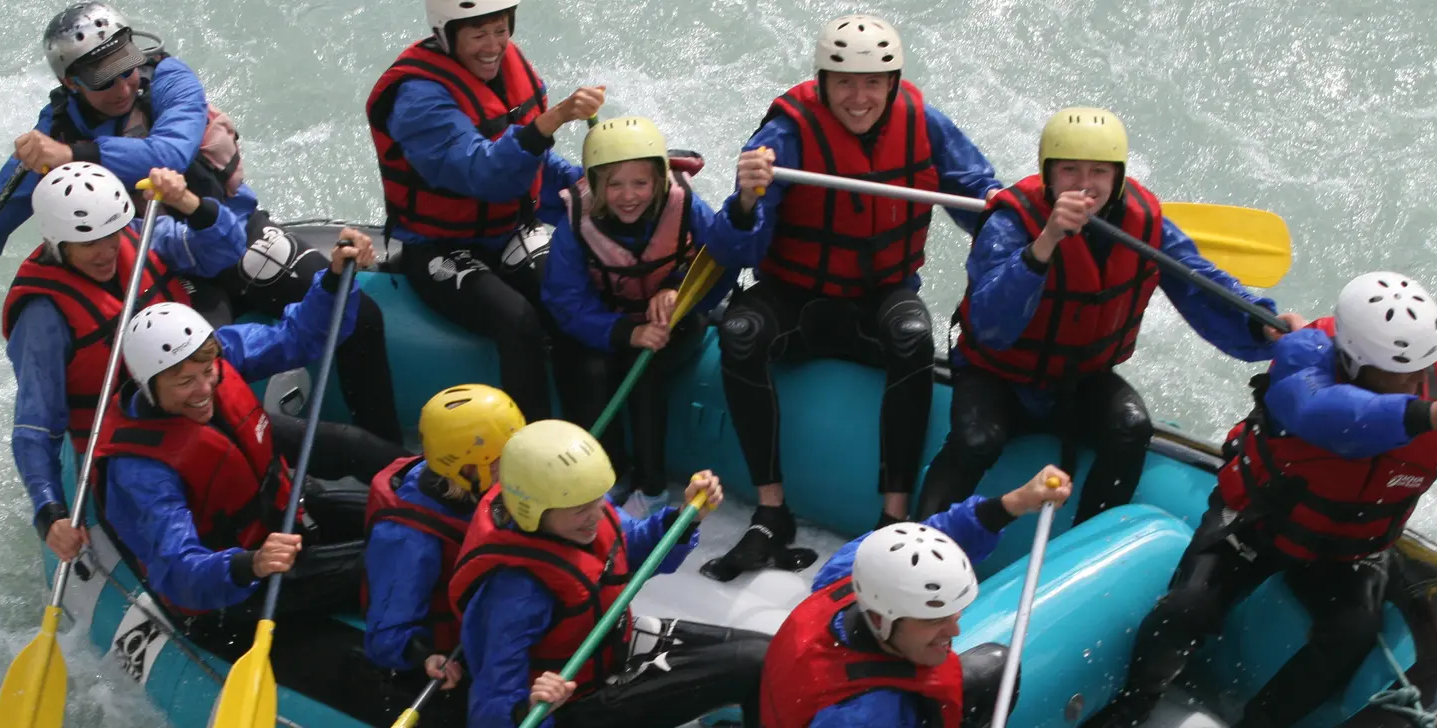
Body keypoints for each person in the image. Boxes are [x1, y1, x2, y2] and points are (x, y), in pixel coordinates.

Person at [1077, 273, 1437, 728]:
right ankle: (1136, 698)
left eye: (1423, 369)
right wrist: (1425, 415)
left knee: (1350, 634)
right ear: (1354, 360)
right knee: (1187, 608)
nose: (1417, 383)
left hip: (1350, 546)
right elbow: (1327, 417)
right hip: (1260, 518)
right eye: (1400, 374)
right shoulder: (1305, 354)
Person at [700, 13, 1002, 582]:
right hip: (796, 297)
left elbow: (982, 201)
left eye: (872, 83)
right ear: (822, 82)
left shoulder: (925, 126)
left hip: (877, 296)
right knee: (739, 332)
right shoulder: (784, 136)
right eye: (844, 82)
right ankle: (771, 512)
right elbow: (735, 246)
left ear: (893, 83)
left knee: (913, 337)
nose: (858, 97)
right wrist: (745, 200)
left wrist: (1025, 223)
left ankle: (892, 516)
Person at [916, 107, 1304, 523]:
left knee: (1131, 427)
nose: (1085, 184)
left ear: (1117, 177)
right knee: (976, 439)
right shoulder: (1010, 223)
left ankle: (1084, 541)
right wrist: (1045, 242)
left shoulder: (1146, 225)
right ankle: (913, 535)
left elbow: (1199, 283)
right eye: (1069, 170)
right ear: (1048, 174)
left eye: (1099, 171)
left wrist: (1262, 324)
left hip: (1079, 379)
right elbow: (992, 326)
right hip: (997, 375)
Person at [758, 466, 1104, 728]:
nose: (954, 629)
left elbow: (927, 544)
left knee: (995, 665)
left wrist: (1014, 502)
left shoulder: (849, 574)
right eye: (933, 619)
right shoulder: (863, 719)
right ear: (882, 619)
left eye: (953, 613)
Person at [93, 237, 402, 641]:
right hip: (236, 585)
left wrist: (332, 280)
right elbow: (178, 570)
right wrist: (251, 563)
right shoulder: (141, 471)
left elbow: (296, 336)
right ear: (148, 386)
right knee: (393, 558)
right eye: (184, 382)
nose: (204, 389)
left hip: (280, 519)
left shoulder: (216, 358)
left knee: (408, 520)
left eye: (208, 372)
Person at [0, 3, 241, 344]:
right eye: (105, 81)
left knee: (268, 272)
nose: (123, 89)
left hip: (225, 227)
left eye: (127, 69)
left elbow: (172, 154)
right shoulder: (56, 132)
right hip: (159, 257)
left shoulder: (170, 79)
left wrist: (74, 155)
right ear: (70, 82)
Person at [446, 421, 766, 728]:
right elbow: (490, 709)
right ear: (533, 510)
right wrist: (531, 707)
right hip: (573, 706)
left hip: (610, 649)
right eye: (581, 510)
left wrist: (686, 518)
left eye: (598, 500)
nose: (596, 514)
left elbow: (630, 548)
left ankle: (750, 713)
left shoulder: (581, 508)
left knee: (771, 653)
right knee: (755, 662)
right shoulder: (515, 593)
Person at [366, 0, 601, 422]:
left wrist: (589, 183)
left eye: (501, 30)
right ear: (446, 35)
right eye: (478, 35)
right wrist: (553, 121)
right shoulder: (417, 98)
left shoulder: (506, 67)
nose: (493, 46)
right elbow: (484, 173)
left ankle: (588, 435)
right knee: (517, 319)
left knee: (571, 300)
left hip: (508, 228)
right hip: (439, 245)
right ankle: (533, 446)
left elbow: (532, 161)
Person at [0, 162, 245, 563]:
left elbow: (228, 249)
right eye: (89, 243)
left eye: (111, 234)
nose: (107, 251)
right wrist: (50, 513)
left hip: (192, 401)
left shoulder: (140, 234)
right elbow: (34, 425)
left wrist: (187, 201)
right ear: (58, 243)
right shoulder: (42, 317)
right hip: (131, 446)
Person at [542, 115, 735, 518]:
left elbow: (720, 263)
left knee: (644, 368)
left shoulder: (685, 205)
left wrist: (678, 289)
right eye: (614, 184)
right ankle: (610, 474)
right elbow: (565, 301)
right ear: (595, 184)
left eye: (640, 183)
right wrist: (625, 332)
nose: (628, 196)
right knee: (585, 367)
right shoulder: (576, 223)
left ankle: (651, 489)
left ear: (659, 180)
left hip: (675, 320)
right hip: (608, 321)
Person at [363, 384, 527, 687]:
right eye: (499, 463)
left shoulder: (470, 483)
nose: (516, 469)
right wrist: (424, 656)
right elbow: (386, 637)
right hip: (452, 635)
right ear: (466, 469)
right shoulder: (408, 539)